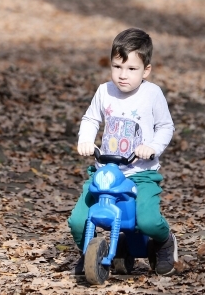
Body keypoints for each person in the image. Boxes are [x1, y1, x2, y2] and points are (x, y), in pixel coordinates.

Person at [68, 28, 178, 275]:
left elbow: (165, 126)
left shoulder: (151, 94)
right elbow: (90, 119)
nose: (122, 75)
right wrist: (86, 140)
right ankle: (89, 254)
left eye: (131, 69)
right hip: (106, 172)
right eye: (117, 67)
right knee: (77, 220)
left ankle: (164, 241)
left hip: (140, 173)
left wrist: (152, 147)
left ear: (145, 70)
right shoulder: (104, 91)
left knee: (147, 221)